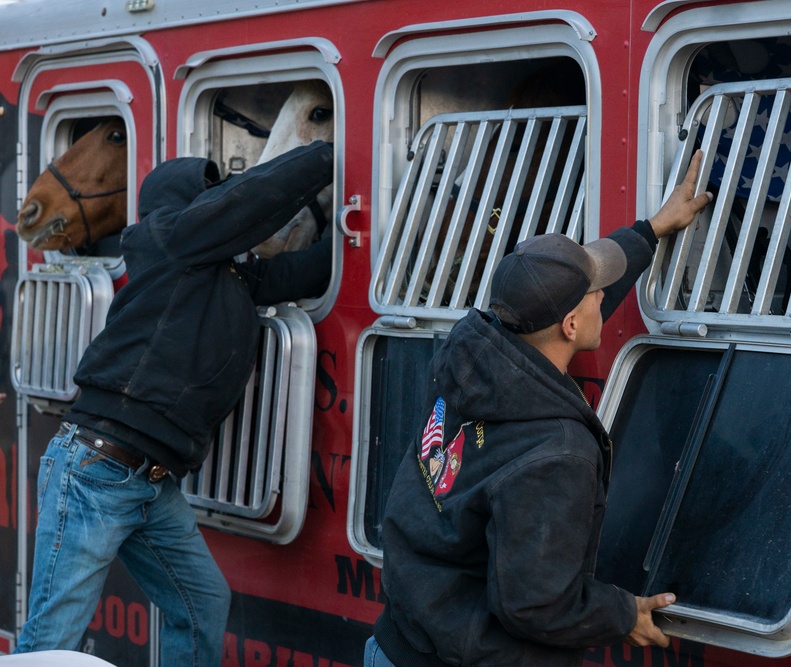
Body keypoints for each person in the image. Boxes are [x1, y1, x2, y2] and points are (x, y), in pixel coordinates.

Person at [366, 151, 713, 666]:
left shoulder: (468, 356)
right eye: (595, 293)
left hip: (397, 643)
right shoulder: (556, 452)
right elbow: (535, 603)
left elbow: (561, 302)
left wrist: (652, 230)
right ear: (572, 325)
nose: (602, 297)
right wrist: (622, 613)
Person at [14, 140, 335, 665]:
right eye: (206, 195)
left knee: (203, 603)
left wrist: (384, 221)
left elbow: (307, 272)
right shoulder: (169, 237)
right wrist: (331, 154)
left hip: (150, 479)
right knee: (52, 640)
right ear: (179, 204)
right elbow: (245, 203)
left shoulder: (224, 272)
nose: (216, 204)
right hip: (98, 467)